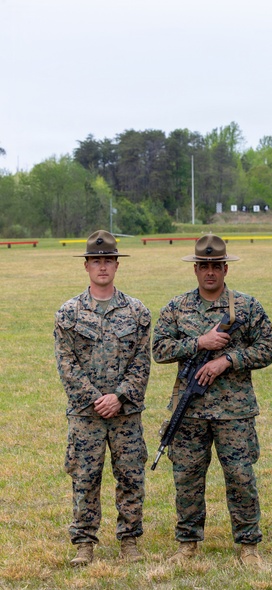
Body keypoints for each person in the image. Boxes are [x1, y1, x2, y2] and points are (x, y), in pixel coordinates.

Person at [152, 234, 272, 566]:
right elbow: (159, 350)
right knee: (188, 477)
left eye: (216, 266)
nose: (210, 272)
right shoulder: (177, 308)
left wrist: (227, 360)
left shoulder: (246, 307)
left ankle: (249, 545)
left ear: (225, 269)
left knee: (240, 476)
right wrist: (198, 343)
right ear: (195, 269)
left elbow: (267, 349)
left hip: (234, 411)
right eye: (204, 266)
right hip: (189, 410)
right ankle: (187, 544)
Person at [54, 230, 150, 567]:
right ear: (86, 266)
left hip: (126, 413)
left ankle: (129, 540)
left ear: (116, 264)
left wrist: (120, 396)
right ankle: (84, 542)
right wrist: (97, 399)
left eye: (108, 260)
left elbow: (141, 362)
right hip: (86, 414)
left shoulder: (137, 312)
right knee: (85, 477)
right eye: (97, 261)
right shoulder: (69, 313)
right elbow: (66, 365)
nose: (103, 266)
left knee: (130, 476)